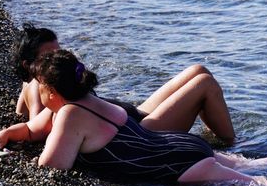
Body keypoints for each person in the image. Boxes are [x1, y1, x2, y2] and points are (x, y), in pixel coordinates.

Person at [0, 49, 267, 186]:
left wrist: (36, 145)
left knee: (265, 185)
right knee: (263, 164)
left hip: (180, 165)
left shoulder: (69, 117)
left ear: (51, 94)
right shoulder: (88, 101)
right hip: (181, 146)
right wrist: (9, 133)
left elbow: (52, 167)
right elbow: (35, 128)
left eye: (39, 87)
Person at [13, 23, 235, 143]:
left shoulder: (33, 82)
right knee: (205, 83)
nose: (56, 58)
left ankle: (211, 133)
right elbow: (39, 124)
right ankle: (230, 145)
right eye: (48, 55)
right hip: (139, 132)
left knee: (198, 70)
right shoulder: (38, 85)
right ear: (27, 64)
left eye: (58, 51)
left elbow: (22, 109)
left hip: (134, 115)